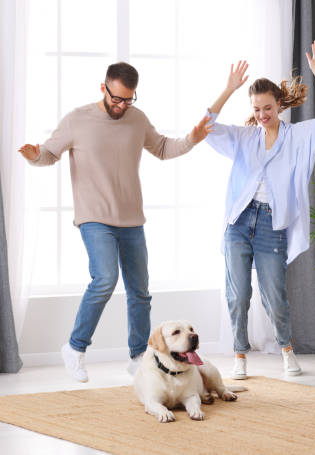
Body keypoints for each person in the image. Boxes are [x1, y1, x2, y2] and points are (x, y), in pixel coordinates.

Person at [18, 62, 213, 382]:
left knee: (140, 291)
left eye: (128, 100)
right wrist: (32, 154)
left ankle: (138, 356)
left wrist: (192, 138)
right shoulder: (77, 119)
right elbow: (48, 154)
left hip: (132, 219)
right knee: (105, 278)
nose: (121, 105)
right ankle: (75, 347)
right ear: (103, 88)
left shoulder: (137, 119)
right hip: (94, 218)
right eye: (116, 98)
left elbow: (163, 148)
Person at [204, 41, 315, 379]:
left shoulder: (299, 137)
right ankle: (240, 355)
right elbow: (205, 127)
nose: (262, 115)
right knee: (237, 296)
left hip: (271, 224)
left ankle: (286, 350)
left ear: (279, 105)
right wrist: (228, 90)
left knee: (275, 296)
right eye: (256, 109)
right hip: (238, 223)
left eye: (267, 108)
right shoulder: (244, 137)